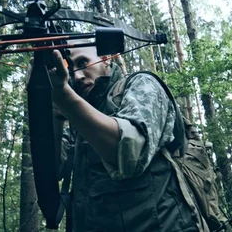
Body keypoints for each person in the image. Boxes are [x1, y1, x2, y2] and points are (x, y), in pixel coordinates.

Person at [39, 46, 208, 232]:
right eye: (70, 70)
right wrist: (53, 113)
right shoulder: (76, 114)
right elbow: (53, 170)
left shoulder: (141, 84)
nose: (77, 76)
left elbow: (130, 152)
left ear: (105, 58)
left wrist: (64, 96)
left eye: (83, 63)